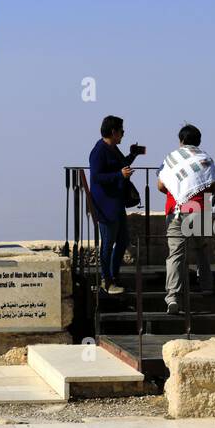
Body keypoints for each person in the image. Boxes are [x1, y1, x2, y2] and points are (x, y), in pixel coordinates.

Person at [158, 123, 215, 314]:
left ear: (181, 140)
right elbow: (214, 186)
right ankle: (207, 285)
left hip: (176, 211)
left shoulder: (171, 159)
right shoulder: (206, 159)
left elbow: (160, 185)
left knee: (175, 255)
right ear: (199, 141)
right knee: (202, 248)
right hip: (200, 209)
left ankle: (173, 297)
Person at [88, 116, 144, 296]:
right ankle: (106, 280)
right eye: (122, 131)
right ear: (114, 132)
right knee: (108, 243)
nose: (123, 134)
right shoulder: (99, 151)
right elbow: (97, 177)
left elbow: (121, 166)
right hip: (106, 205)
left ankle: (114, 276)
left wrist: (133, 155)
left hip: (116, 203)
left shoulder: (113, 149)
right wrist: (119, 175)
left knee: (122, 241)